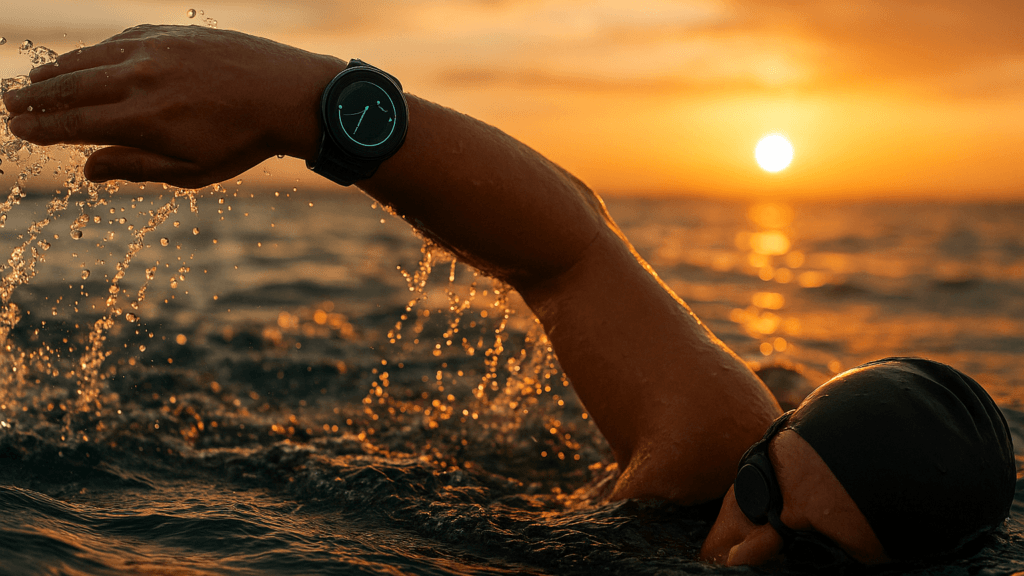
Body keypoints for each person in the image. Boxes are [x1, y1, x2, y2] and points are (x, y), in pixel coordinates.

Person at [2, 25, 1015, 568]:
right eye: (761, 493)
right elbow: (570, 250)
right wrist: (304, 102)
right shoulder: (712, 456)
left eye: (815, 572)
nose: (743, 553)